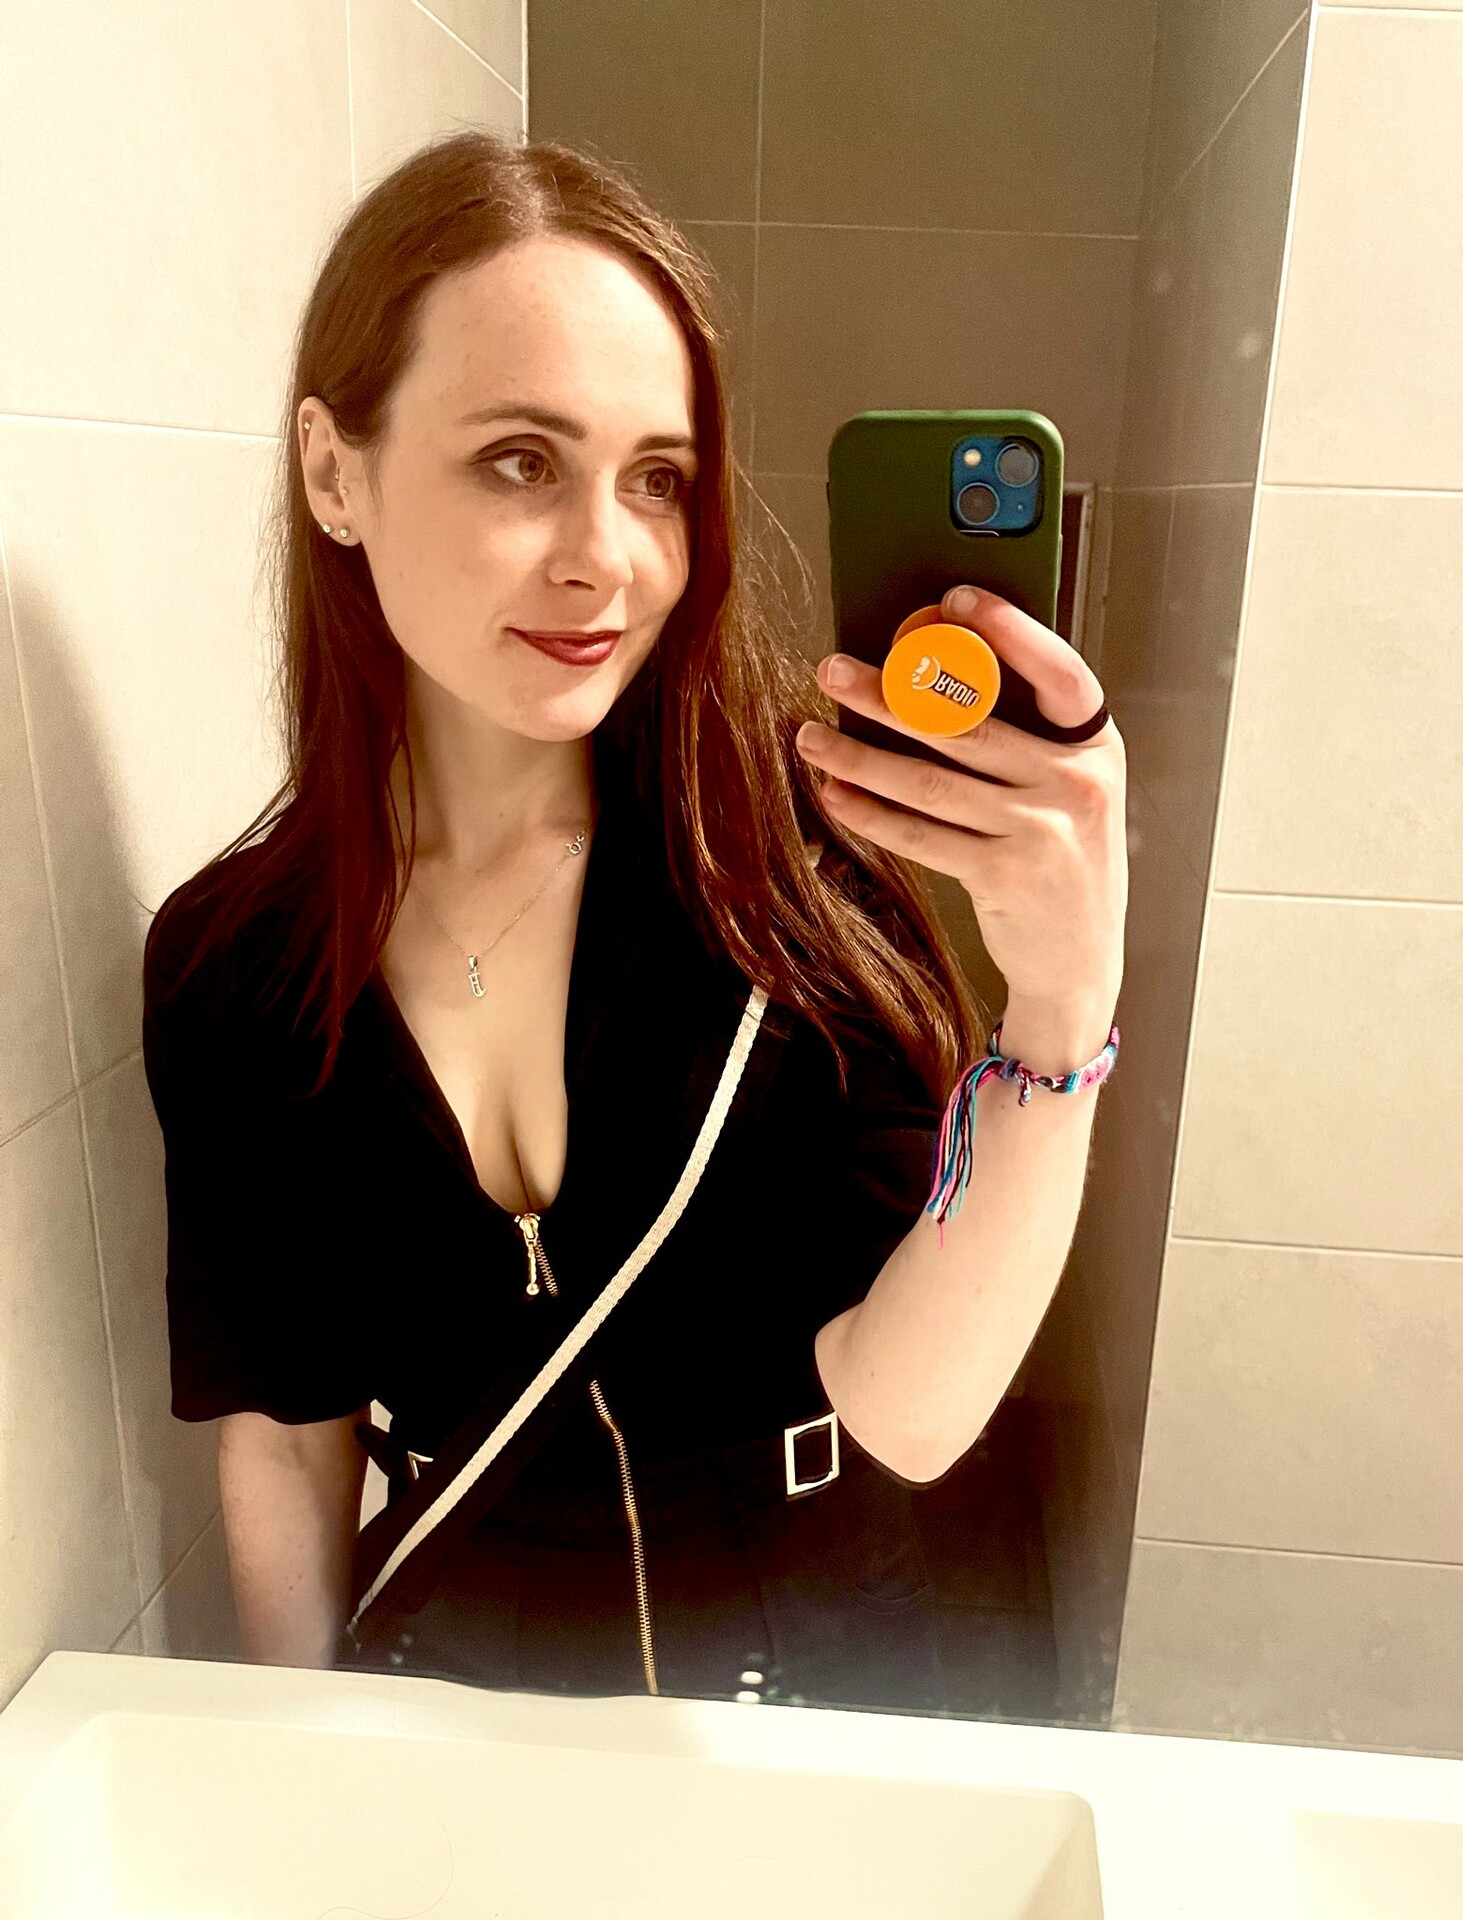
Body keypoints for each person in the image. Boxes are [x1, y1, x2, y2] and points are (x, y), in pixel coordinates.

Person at [140, 131, 1129, 1714]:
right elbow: (283, 1428)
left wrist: (1064, 1003)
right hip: (453, 1681)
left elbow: (913, 1412)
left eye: (656, 479)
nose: (606, 561)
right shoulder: (232, 961)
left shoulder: (789, 871)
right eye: (519, 461)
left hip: (812, 1684)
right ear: (335, 472)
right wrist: (306, 1748)